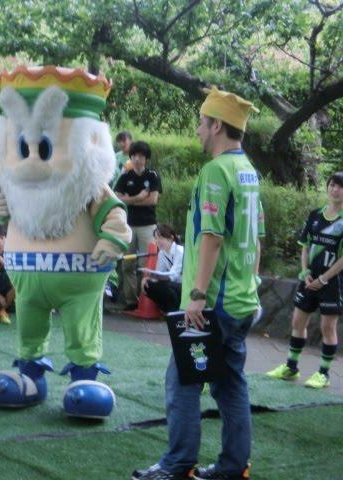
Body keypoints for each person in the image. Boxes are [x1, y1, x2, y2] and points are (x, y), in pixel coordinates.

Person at [132, 87, 263, 480]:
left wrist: (197, 296)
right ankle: (233, 466)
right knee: (229, 384)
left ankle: (178, 464)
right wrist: (252, 284)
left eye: (202, 123)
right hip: (240, 300)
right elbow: (256, 237)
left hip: (214, 304)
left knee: (182, 382)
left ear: (217, 125)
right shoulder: (248, 171)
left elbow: (211, 237)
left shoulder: (216, 171)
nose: (197, 129)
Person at [266, 172, 343, 389]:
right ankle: (291, 368)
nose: (335, 189)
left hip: (332, 283)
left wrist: (324, 279)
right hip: (309, 280)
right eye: (332, 185)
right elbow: (305, 246)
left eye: (340, 186)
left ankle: (323, 374)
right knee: (297, 322)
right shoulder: (315, 215)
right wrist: (304, 271)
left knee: (328, 327)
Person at [114, 140, 162, 310]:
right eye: (134, 155)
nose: (137, 159)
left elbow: (153, 200)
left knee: (145, 265)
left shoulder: (152, 176)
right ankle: (130, 301)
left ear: (146, 158)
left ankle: (145, 302)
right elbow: (117, 198)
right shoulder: (125, 177)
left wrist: (129, 200)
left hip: (148, 226)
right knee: (127, 264)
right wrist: (139, 197)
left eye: (141, 156)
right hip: (128, 225)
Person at [139, 224, 184, 313]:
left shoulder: (179, 250)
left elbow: (174, 275)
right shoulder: (162, 253)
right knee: (148, 285)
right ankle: (167, 310)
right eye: (156, 238)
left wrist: (154, 275)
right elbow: (159, 272)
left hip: (184, 285)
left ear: (171, 238)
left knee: (165, 287)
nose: (157, 241)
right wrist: (148, 278)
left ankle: (174, 312)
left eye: (161, 238)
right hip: (173, 284)